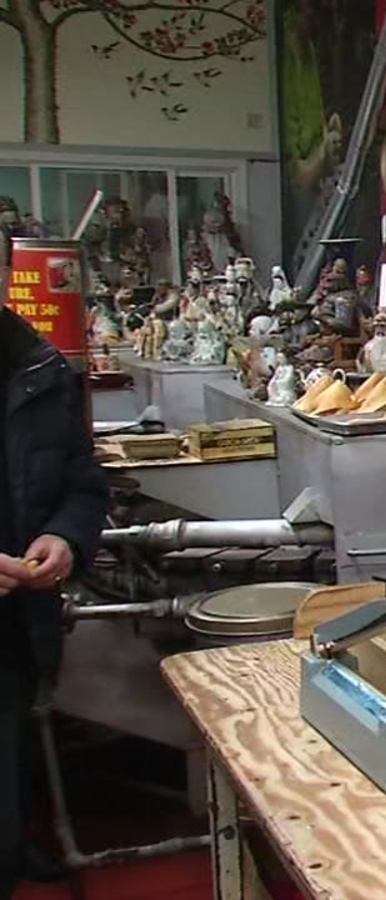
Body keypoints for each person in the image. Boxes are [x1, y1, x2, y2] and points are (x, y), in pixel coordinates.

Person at [0, 235, 110, 896]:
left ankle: (12, 845)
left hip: (16, 618)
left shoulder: (38, 368)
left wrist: (65, 536)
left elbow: (83, 481)